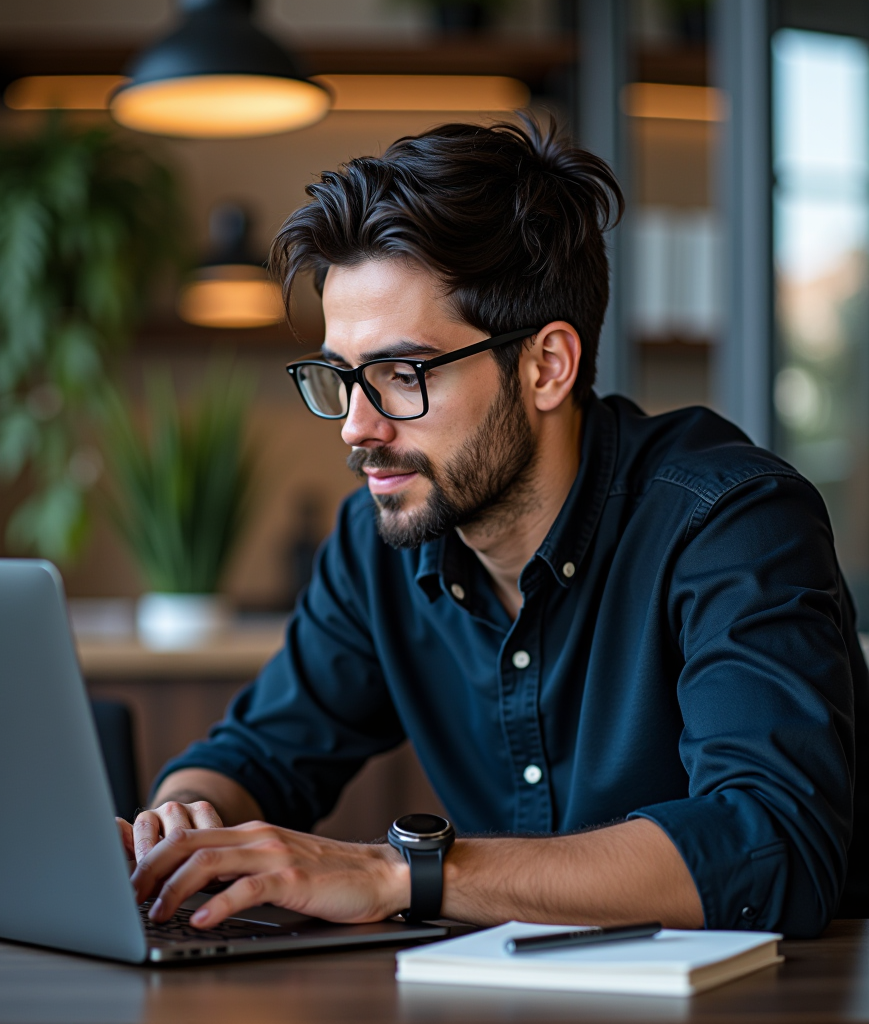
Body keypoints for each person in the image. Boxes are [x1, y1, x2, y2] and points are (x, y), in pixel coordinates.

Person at [120, 117, 869, 939]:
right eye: (342, 377)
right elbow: (254, 758)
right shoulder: (379, 541)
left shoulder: (730, 521)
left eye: (401, 373)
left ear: (547, 366)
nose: (356, 427)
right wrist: (177, 826)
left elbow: (770, 846)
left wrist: (396, 874)